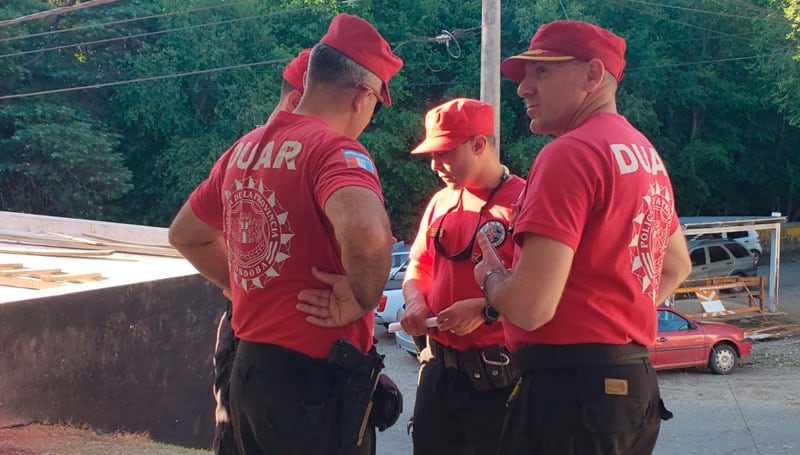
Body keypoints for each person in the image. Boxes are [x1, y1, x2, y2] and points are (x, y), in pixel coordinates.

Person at [168, 13, 402, 455]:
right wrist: (361, 296)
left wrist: (238, 284)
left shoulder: (244, 149)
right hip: (316, 384)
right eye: (375, 104)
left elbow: (186, 234)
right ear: (362, 96)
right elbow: (369, 238)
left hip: (252, 372)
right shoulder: (335, 150)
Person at [472, 20, 693, 454]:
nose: (523, 89)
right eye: (524, 76)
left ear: (593, 75)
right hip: (631, 384)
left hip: (570, 394)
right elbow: (676, 264)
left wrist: (491, 278)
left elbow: (532, 308)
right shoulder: (645, 153)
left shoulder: (570, 153)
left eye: (542, 72)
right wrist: (611, 317)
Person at [399, 98, 525, 455]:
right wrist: (415, 302)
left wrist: (486, 310)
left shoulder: (525, 200)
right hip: (438, 371)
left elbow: (542, 290)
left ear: (479, 144)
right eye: (432, 156)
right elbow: (418, 266)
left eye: (444, 154)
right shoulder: (441, 201)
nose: (436, 166)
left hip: (498, 377)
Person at [209, 47, 310, 455]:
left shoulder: (244, 152)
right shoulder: (274, 155)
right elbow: (198, 231)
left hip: (253, 332)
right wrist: (239, 283)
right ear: (295, 101)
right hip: (259, 337)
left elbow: (197, 230)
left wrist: (239, 282)